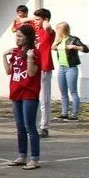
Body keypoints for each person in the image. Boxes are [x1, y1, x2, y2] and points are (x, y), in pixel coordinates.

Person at [5, 24, 42, 169]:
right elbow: (9, 71)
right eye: (16, 36)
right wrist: (4, 56)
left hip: (29, 93)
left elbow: (32, 73)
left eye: (20, 36)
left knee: (29, 126)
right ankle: (22, 155)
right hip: (16, 92)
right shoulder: (16, 52)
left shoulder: (34, 52)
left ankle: (34, 158)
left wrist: (30, 58)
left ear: (28, 37)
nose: (17, 39)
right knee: (19, 126)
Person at [52, 22, 88, 122]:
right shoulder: (59, 40)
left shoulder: (73, 39)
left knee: (73, 91)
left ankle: (75, 114)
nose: (56, 31)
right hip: (61, 67)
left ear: (63, 30)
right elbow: (52, 48)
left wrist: (75, 47)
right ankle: (64, 113)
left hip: (71, 68)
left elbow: (86, 49)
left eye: (58, 29)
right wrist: (56, 40)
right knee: (63, 92)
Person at [32, 8, 55, 136]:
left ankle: (44, 126)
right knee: (32, 97)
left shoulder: (48, 32)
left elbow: (48, 28)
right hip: (33, 67)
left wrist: (45, 21)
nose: (35, 21)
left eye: (38, 19)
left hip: (44, 68)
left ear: (44, 20)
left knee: (44, 99)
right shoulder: (35, 31)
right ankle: (31, 125)